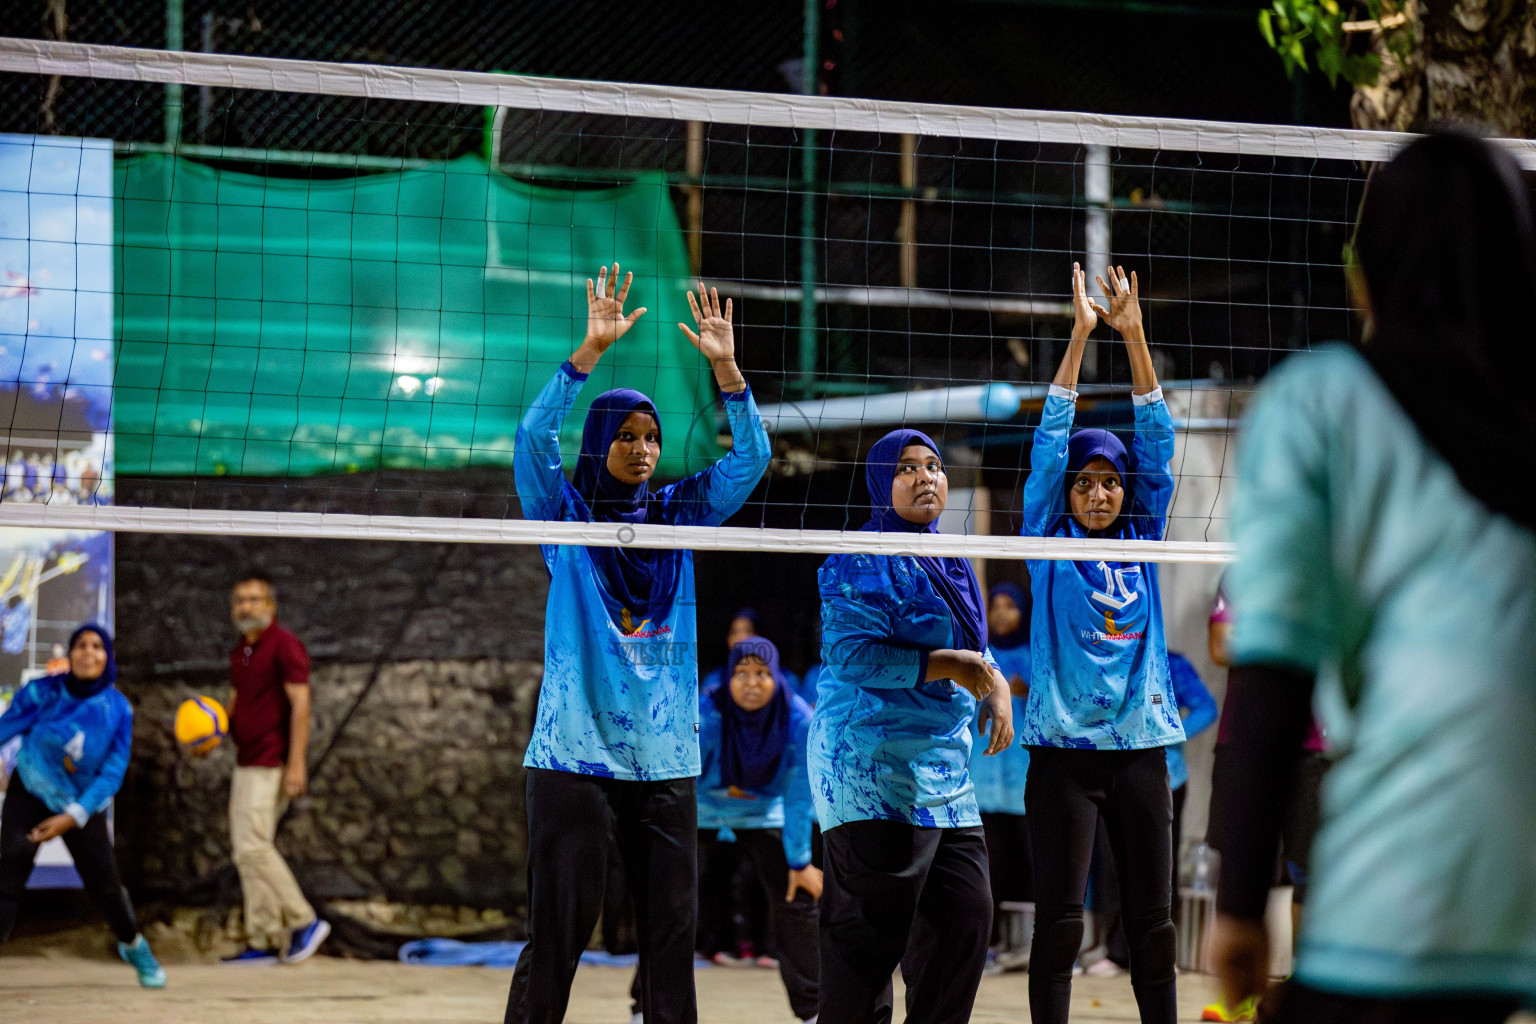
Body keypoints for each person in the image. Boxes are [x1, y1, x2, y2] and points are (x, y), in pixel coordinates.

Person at [1210, 130, 1536, 1024]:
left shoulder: (1320, 402)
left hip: (1404, 877)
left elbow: (1272, 664)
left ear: (1368, 274)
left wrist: (1240, 904)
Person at [507, 267, 771, 1024]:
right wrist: (587, 353)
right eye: (626, 436)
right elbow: (531, 439)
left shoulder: (680, 512)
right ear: (600, 441)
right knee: (558, 935)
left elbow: (750, 460)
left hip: (665, 761)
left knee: (669, 939)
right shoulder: (566, 515)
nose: (644, 448)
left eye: (652, 437)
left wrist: (726, 371)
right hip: (572, 756)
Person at [1019, 264, 1184, 1024]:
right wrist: (1082, 338)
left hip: (1142, 748)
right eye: (1084, 483)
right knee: (1059, 922)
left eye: (1108, 482)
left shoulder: (1145, 537)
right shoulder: (1046, 540)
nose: (1096, 492)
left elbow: (1157, 438)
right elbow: (1049, 445)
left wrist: (1134, 335)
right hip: (1062, 754)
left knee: (1153, 924)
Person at [811, 428, 1014, 1024]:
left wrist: (995, 682)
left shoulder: (948, 555)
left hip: (946, 776)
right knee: (866, 953)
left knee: (964, 925)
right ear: (880, 483)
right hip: (872, 770)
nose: (926, 477)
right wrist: (947, 665)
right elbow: (849, 657)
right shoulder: (860, 556)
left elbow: (975, 648)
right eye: (906, 469)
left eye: (933, 466)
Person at [634, 636, 820, 1022]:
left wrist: (800, 861)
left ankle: (814, 1010)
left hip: (764, 815)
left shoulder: (798, 719)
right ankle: (648, 1007)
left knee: (797, 901)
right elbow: (680, 779)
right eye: (741, 674)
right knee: (671, 909)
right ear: (728, 676)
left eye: (762, 674)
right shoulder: (708, 713)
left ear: (777, 677)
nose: (751, 683)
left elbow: (799, 797)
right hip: (700, 814)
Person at [0, 624, 166, 987]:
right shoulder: (42, 693)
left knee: (106, 886)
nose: (88, 652)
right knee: (7, 878)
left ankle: (134, 945)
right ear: (70, 654)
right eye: (80, 645)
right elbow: (5, 727)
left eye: (97, 646)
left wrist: (71, 817)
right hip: (28, 789)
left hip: (80, 804)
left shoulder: (117, 709)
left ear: (107, 657)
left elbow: (112, 772)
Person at [218, 573, 328, 965]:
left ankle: (304, 921)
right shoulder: (241, 652)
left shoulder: (284, 645)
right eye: (239, 600)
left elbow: (301, 705)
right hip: (246, 760)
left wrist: (296, 763)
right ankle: (262, 939)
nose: (246, 607)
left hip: (271, 761)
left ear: (271, 606)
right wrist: (212, 737)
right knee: (246, 852)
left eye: (254, 599)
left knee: (253, 847)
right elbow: (233, 707)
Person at [971, 581, 1033, 968]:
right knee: (987, 866)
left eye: (1011, 605)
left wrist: (1025, 690)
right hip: (982, 779)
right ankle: (989, 944)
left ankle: (1028, 945)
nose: (1002, 613)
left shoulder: (1035, 655)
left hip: (1023, 778)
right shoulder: (978, 657)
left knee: (1028, 863)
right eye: (995, 605)